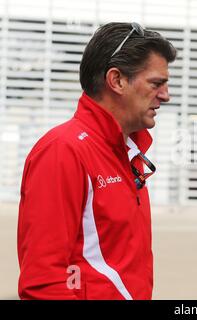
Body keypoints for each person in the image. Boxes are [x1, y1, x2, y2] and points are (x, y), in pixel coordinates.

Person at [17, 22, 176, 299]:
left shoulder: (127, 152)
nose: (166, 95)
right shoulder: (62, 151)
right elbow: (42, 282)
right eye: (156, 83)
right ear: (116, 81)